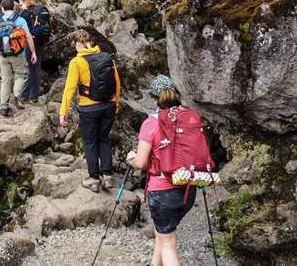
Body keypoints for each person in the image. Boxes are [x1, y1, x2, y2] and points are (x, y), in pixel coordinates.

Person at [127, 75, 197, 266]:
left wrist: (130, 158)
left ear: (154, 99)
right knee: (163, 233)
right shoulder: (189, 118)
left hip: (163, 191)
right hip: (188, 190)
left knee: (168, 244)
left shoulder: (151, 123)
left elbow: (141, 162)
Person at [59, 29, 122, 192]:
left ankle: (93, 178)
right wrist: (116, 102)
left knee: (90, 141)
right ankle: (107, 175)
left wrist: (63, 111)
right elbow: (116, 82)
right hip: (108, 105)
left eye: (76, 45)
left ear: (79, 44)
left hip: (89, 108)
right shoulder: (107, 57)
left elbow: (70, 88)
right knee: (104, 138)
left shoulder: (76, 62)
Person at [0, 0, 37, 117]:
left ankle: (4, 107)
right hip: (18, 54)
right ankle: (17, 93)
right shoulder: (20, 20)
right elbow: (29, 37)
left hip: (3, 55)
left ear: (2, 8)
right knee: (21, 75)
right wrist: (33, 52)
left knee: (6, 79)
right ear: (14, 8)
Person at [20, 0, 50, 102]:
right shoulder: (42, 9)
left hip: (30, 41)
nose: (20, 6)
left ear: (26, 2)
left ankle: (24, 95)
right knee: (37, 68)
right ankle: (34, 96)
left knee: (30, 69)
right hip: (41, 41)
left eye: (21, 3)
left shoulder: (25, 14)